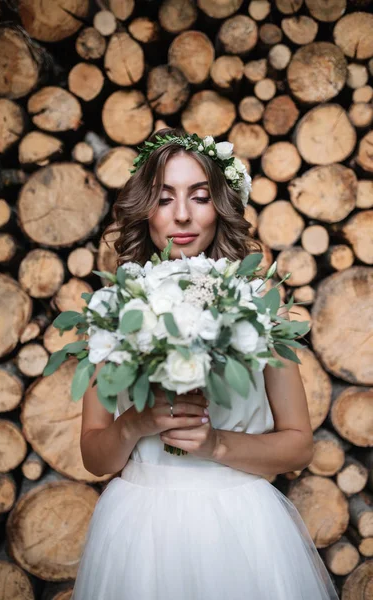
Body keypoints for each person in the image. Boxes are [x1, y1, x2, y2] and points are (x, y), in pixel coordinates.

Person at [71, 127, 340, 599]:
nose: (181, 215)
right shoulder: (116, 309)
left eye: (199, 197)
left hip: (240, 525)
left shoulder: (257, 304)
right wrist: (135, 425)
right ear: (145, 210)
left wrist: (216, 444)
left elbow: (299, 447)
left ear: (221, 206)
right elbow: (94, 456)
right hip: (140, 526)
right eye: (164, 197)